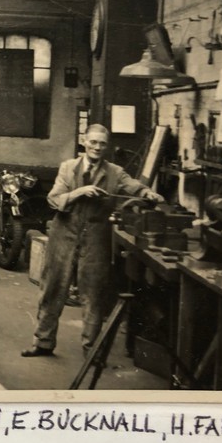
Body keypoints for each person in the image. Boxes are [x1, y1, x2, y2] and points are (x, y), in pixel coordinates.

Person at [21, 124, 163, 358]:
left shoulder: (115, 172)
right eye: (93, 142)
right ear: (84, 142)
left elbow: (133, 186)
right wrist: (79, 192)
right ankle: (43, 342)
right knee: (52, 288)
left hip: (97, 237)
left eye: (102, 143)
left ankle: (92, 351)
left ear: (107, 147)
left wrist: (147, 193)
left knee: (94, 294)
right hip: (64, 233)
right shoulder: (68, 168)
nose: (97, 147)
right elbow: (54, 200)